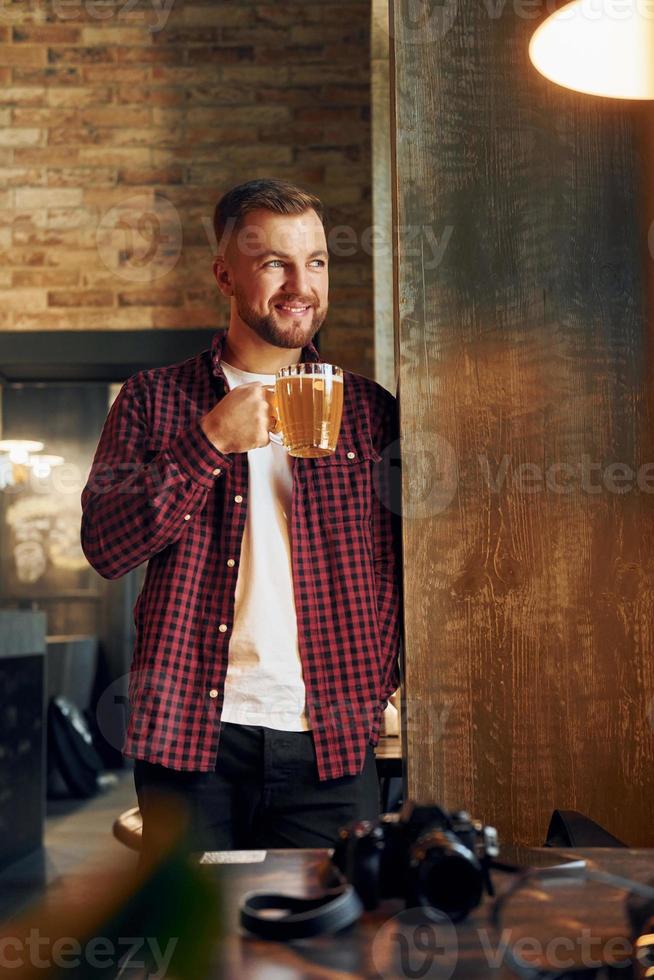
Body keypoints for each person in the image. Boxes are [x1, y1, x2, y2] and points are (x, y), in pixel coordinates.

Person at [81, 178, 402, 853]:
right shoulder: (153, 400)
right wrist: (210, 442)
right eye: (274, 263)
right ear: (224, 273)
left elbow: (411, 569)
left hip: (331, 745)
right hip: (190, 743)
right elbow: (106, 547)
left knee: (330, 947)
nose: (300, 284)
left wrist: (381, 682)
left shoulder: (371, 411)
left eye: (315, 261)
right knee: (201, 949)